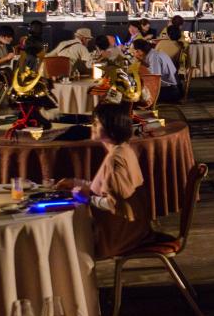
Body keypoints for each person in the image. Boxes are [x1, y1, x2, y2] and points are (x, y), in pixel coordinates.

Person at [58, 105, 158, 258]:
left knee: (61, 240)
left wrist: (87, 199)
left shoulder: (115, 159)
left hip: (120, 237)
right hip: (130, 229)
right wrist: (77, 182)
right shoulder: (123, 149)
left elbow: (113, 203)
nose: (92, 126)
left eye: (96, 123)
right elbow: (108, 188)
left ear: (111, 127)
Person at [133, 38, 181, 103]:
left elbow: (154, 78)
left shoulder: (154, 57)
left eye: (134, 51)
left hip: (170, 91)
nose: (133, 53)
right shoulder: (153, 53)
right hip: (171, 88)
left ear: (139, 51)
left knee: (137, 97)